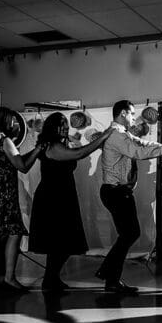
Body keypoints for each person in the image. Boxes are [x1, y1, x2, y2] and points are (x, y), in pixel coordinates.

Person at [95, 100, 162, 294]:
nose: (133, 117)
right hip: (116, 191)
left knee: (128, 234)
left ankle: (109, 276)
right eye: (130, 113)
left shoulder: (123, 134)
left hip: (117, 191)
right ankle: (109, 275)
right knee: (130, 233)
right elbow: (139, 152)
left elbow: (142, 143)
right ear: (122, 113)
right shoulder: (117, 135)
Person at [27, 113, 114, 292]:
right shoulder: (54, 146)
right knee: (59, 243)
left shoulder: (59, 143)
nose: (66, 127)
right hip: (52, 199)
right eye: (61, 125)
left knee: (62, 243)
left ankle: (51, 279)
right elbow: (80, 153)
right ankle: (50, 280)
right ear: (53, 128)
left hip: (62, 196)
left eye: (66, 124)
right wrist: (104, 136)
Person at [0, 108, 42, 292]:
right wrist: (38, 149)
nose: (15, 123)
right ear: (5, 121)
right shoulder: (6, 141)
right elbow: (22, 166)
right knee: (11, 231)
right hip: (2, 192)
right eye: (12, 120)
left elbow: (17, 161)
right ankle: (7, 277)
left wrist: (34, 152)